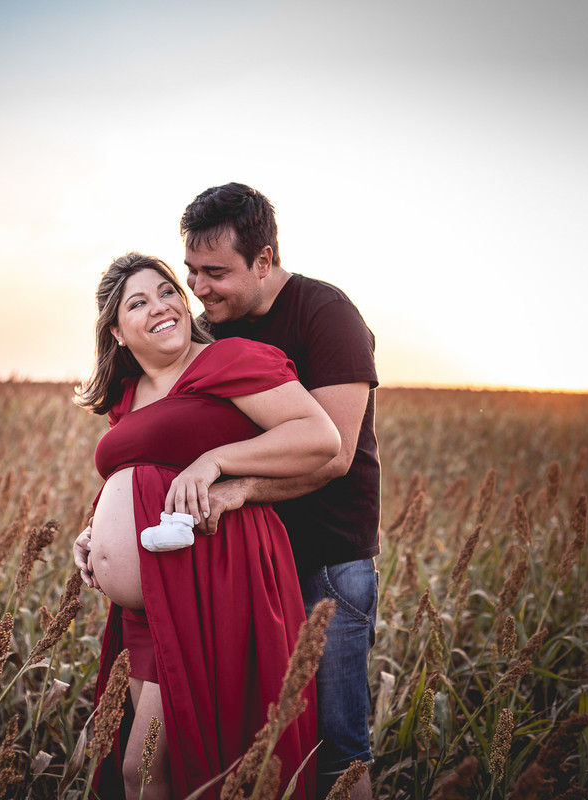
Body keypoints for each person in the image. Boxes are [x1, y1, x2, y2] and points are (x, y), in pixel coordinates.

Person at [74, 252, 340, 800]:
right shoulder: (127, 397)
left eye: (167, 291)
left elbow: (319, 436)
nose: (161, 307)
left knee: (151, 768)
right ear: (117, 332)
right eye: (138, 302)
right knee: (146, 768)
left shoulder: (226, 361)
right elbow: (140, 475)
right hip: (143, 605)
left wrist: (216, 460)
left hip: (208, 579)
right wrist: (94, 530)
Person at [179, 183, 382, 799]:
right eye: (191, 271)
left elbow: (336, 455)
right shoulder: (210, 327)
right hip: (246, 566)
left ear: (263, 261)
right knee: (259, 746)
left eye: (216, 273)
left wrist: (237, 485)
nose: (199, 288)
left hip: (327, 565)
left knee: (336, 750)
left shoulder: (327, 314)